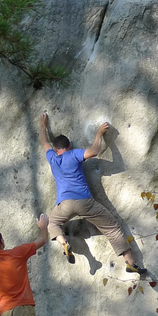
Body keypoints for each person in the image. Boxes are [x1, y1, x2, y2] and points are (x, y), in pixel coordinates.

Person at [38, 111, 145, 275]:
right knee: (112, 227)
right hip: (84, 202)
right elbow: (94, 150)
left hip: (64, 205)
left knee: (52, 223)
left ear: (56, 149)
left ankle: (63, 243)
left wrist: (42, 126)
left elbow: (45, 143)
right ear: (69, 147)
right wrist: (99, 134)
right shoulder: (73, 154)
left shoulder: (53, 158)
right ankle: (130, 262)